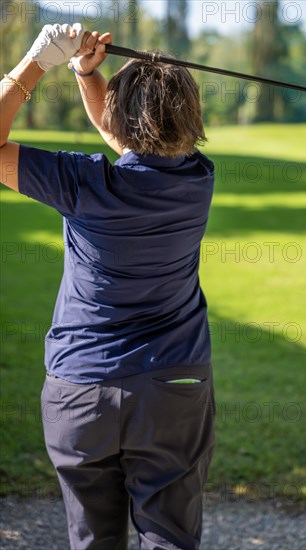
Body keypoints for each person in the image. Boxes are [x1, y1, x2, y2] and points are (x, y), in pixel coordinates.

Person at [0, 23, 216, 550]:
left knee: (93, 541)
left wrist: (36, 64)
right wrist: (86, 74)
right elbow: (131, 140)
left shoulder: (85, 183)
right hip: (174, 389)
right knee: (170, 539)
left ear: (121, 116)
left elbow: (122, 139)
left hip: (80, 391)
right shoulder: (196, 179)